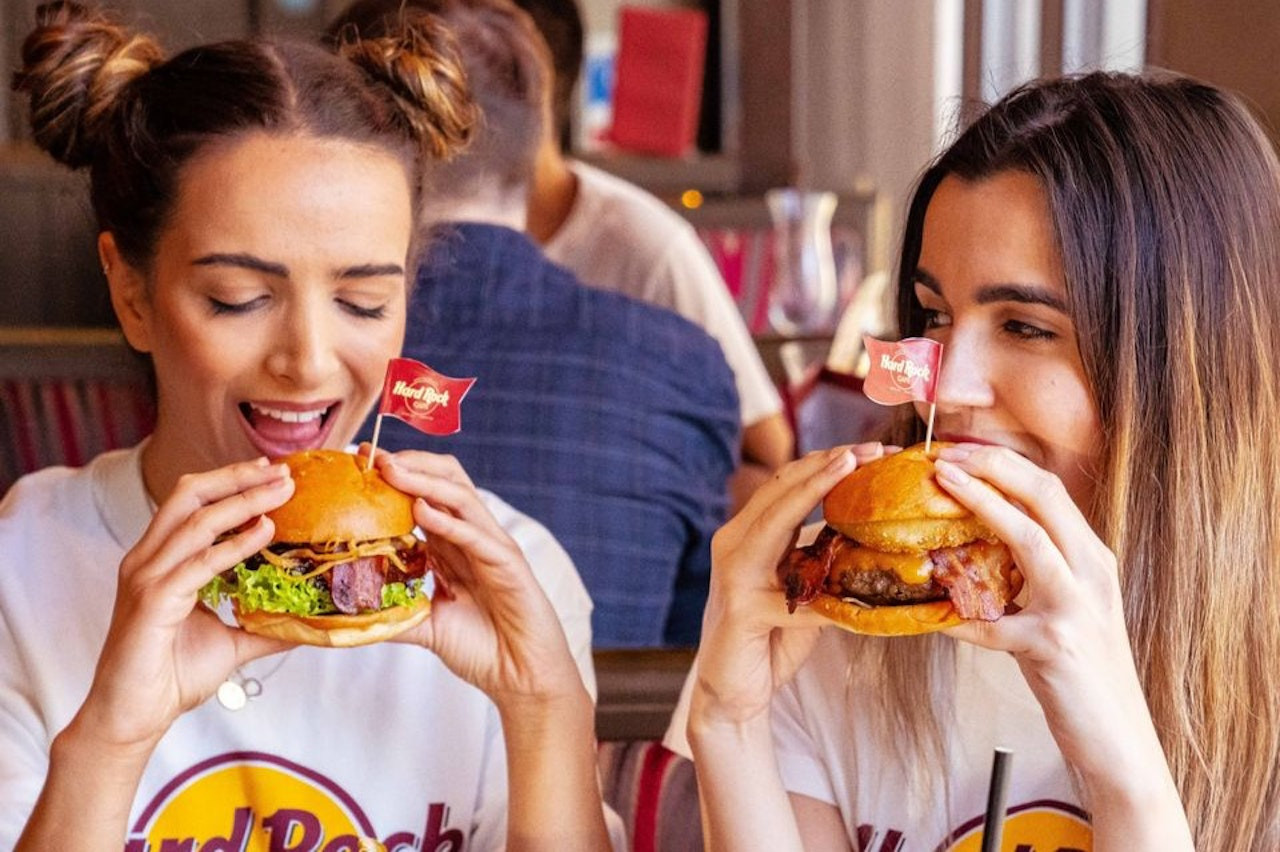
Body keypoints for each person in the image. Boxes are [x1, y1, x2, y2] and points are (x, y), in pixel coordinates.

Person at [0, 4, 613, 849]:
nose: (310, 361)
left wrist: (543, 708)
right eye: (238, 299)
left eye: (364, 302)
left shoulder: (512, 580)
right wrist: (108, 741)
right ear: (132, 292)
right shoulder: (23, 567)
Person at [667, 71, 1280, 850]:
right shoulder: (827, 627)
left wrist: (1126, 773)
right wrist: (729, 721)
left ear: (1184, 366)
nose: (944, 389)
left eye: (1025, 327)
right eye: (934, 315)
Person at [331, 0, 741, 649]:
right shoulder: (684, 361)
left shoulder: (302, 367)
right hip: (607, 748)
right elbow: (696, 636)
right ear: (539, 139)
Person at [509, 0, 796, 507]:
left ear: (533, 83)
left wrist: (639, 499)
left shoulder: (645, 245)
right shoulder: (411, 232)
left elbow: (769, 452)